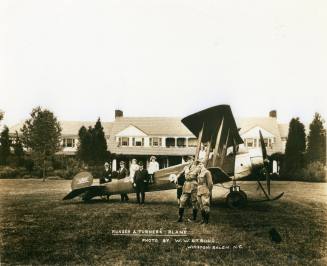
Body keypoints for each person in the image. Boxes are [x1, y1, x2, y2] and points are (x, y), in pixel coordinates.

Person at [177, 156, 200, 222]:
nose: (189, 161)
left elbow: (197, 176)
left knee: (194, 202)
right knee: (182, 201)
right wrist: (176, 177)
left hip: (194, 185)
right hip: (186, 185)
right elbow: (180, 173)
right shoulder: (186, 167)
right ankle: (180, 218)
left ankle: (194, 218)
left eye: (190, 160)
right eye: (187, 160)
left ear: (193, 160)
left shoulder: (197, 167)